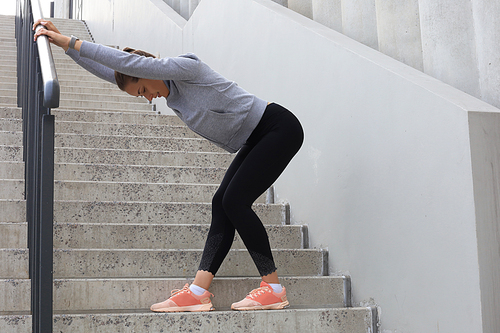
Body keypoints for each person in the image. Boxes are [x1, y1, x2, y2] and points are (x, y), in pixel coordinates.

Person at [34, 19, 304, 312]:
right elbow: (115, 72)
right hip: (255, 138)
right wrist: (69, 51)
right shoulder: (170, 95)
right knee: (222, 203)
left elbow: (125, 62)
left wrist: (71, 41)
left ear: (143, 72)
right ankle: (199, 291)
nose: (149, 97)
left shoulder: (186, 69)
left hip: (278, 128)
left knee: (236, 200)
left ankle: (273, 288)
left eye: (142, 91)